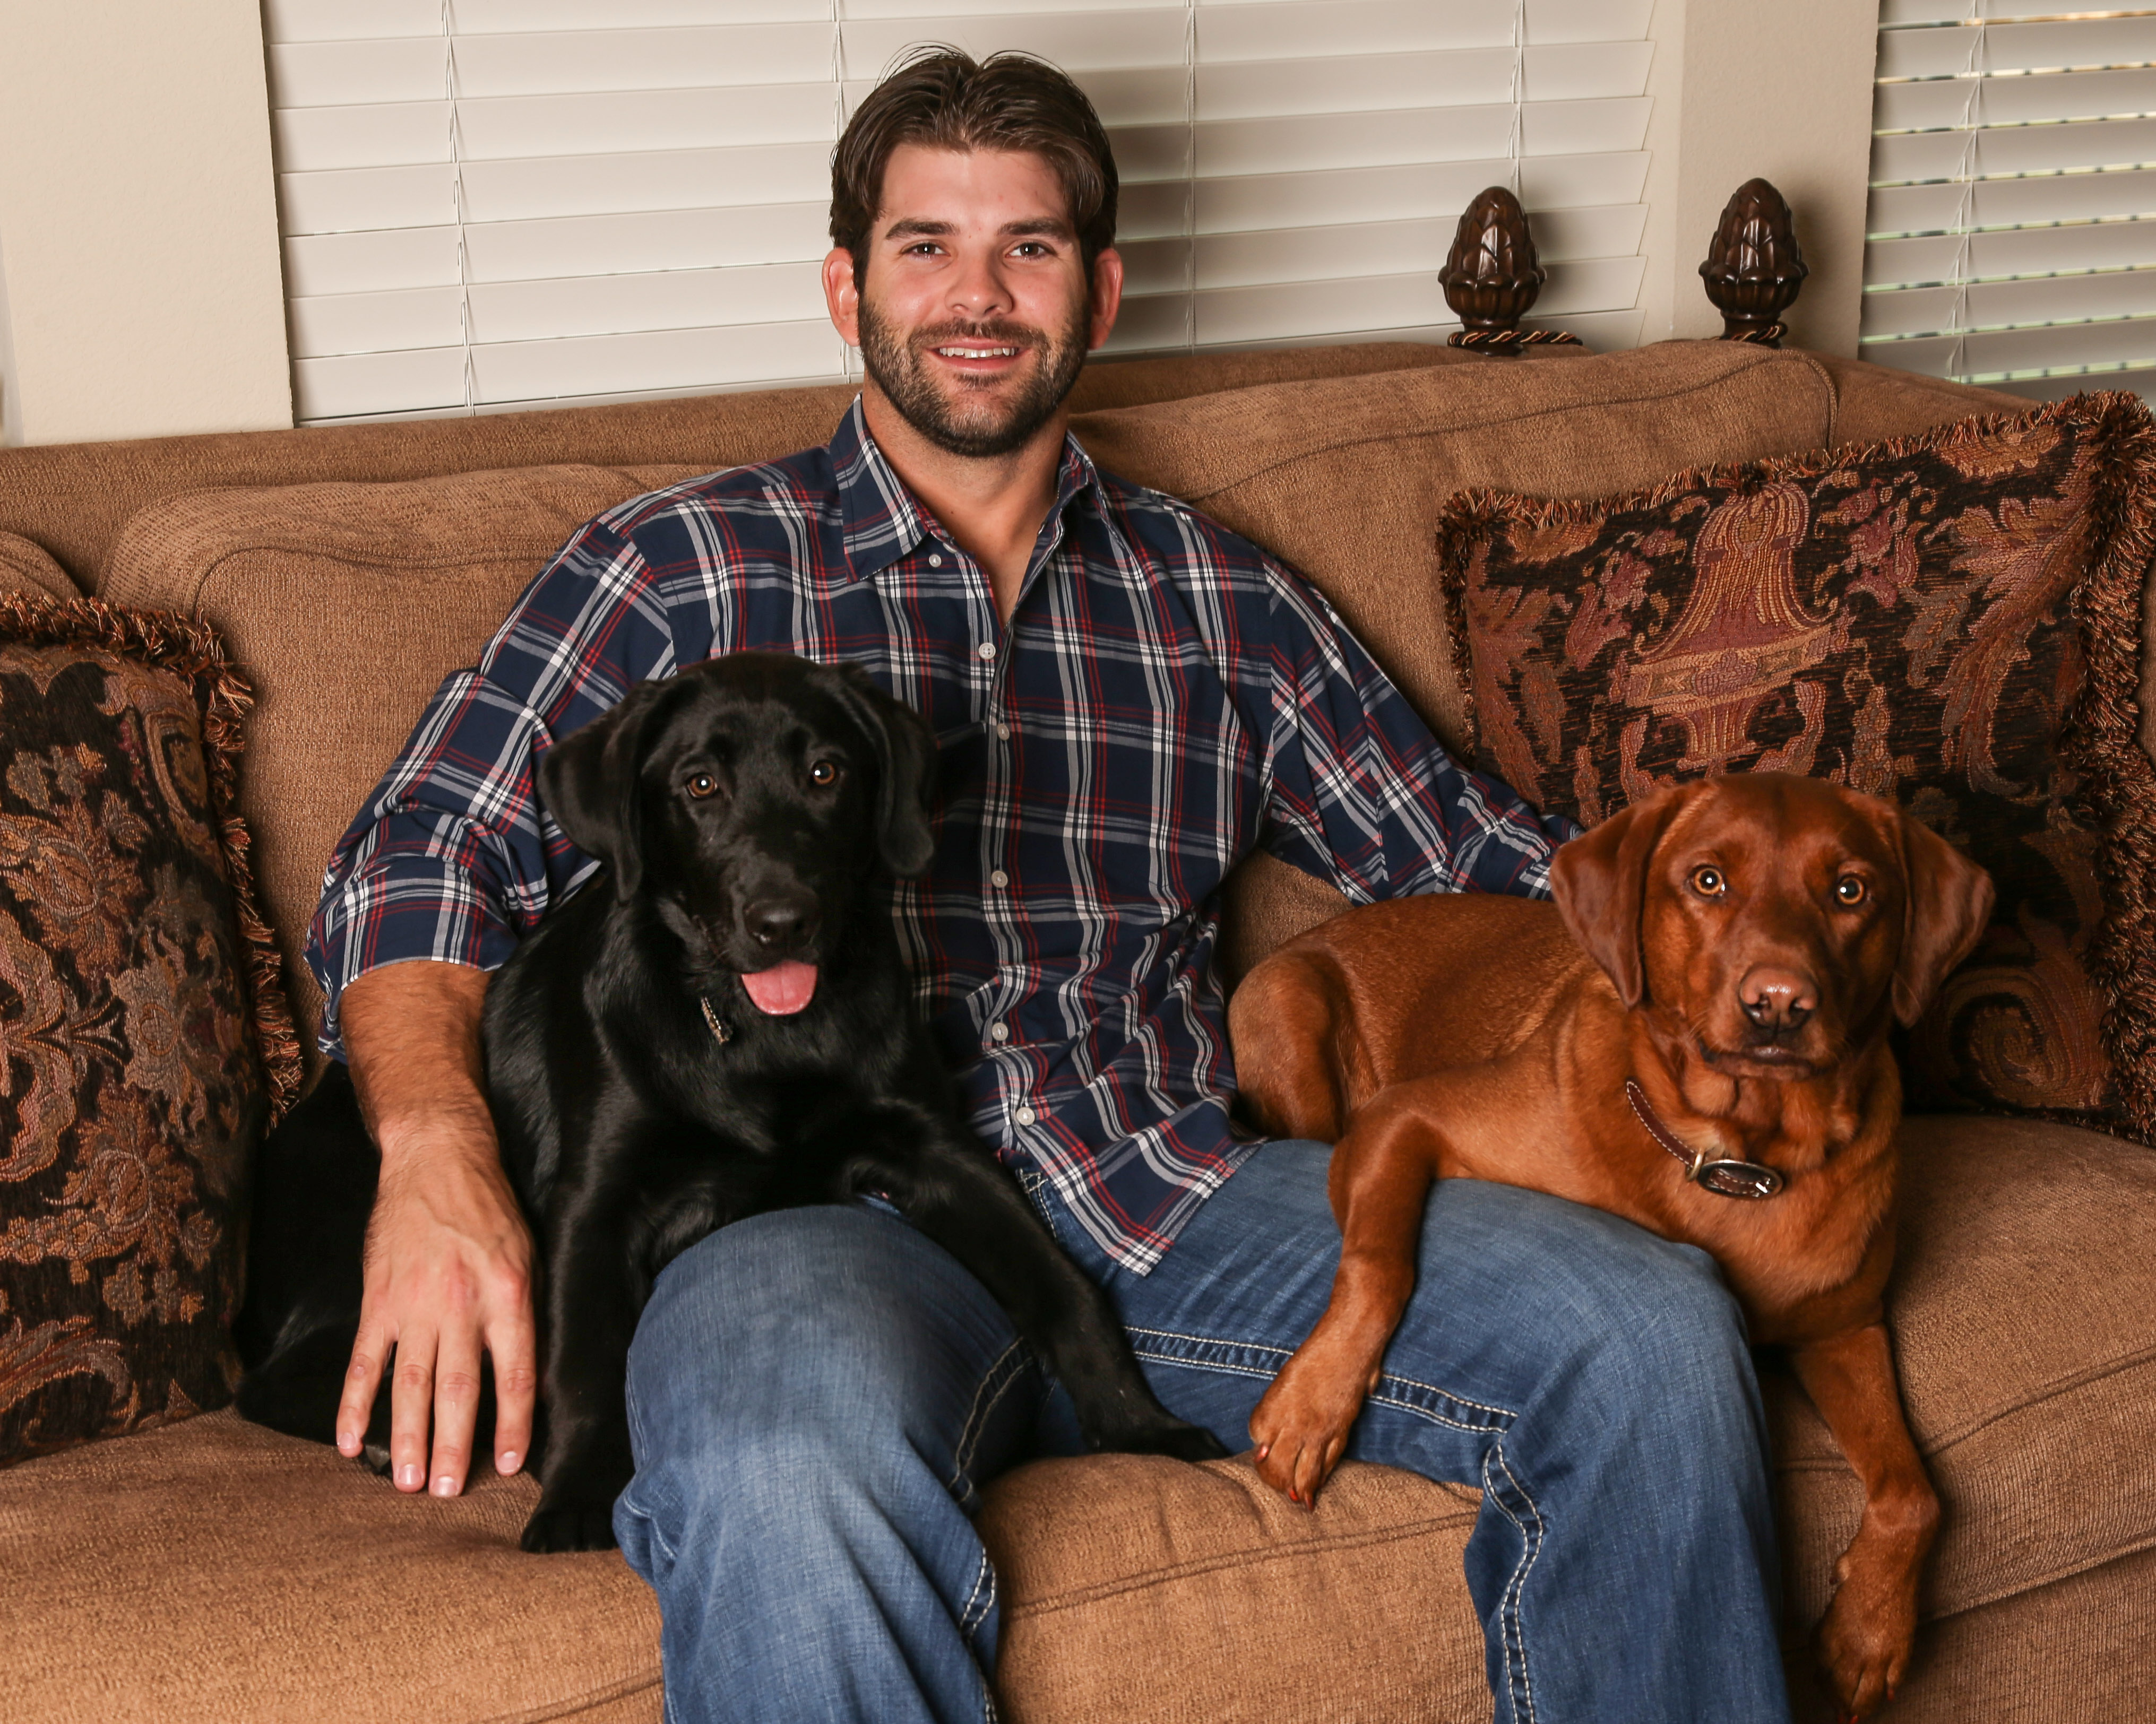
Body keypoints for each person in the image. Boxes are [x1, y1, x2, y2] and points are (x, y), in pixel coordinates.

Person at [306, 48, 1790, 1724]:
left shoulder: (1215, 598)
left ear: (1101, 287)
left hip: (1183, 1200)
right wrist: (433, 1152)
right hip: (807, 1224)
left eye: (1027, 246)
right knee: (782, 1456)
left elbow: (1487, 867)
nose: (977, 295)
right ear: (844, 284)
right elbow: (416, 855)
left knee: (1653, 1336)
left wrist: (1772, 958)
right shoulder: (682, 566)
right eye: (925, 243)